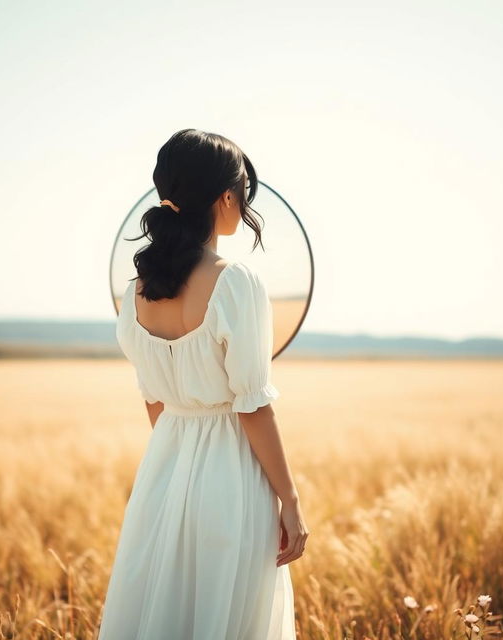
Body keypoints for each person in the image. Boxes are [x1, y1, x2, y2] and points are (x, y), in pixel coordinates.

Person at [97, 129, 309, 639]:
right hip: (232, 477)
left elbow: (156, 402)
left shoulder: (135, 292)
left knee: (163, 608)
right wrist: (291, 501)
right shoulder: (236, 281)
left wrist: (183, 460)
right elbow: (252, 408)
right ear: (226, 196)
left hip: (164, 471)